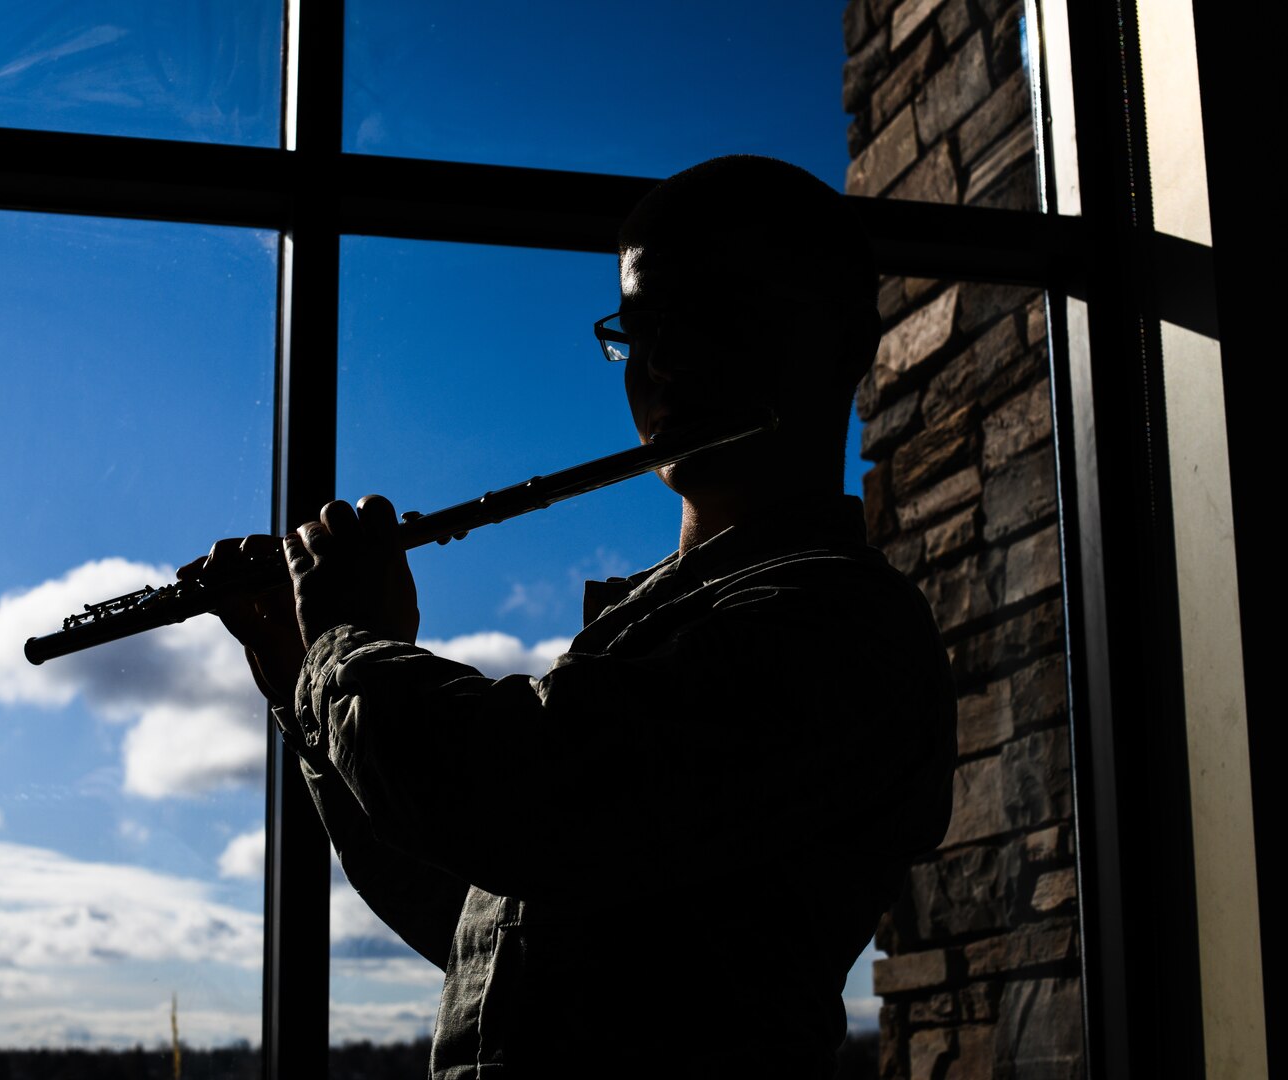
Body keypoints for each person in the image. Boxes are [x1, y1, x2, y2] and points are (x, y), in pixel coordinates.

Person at [186, 155, 956, 1078]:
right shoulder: (658, 624)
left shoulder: (838, 625)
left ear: (841, 343)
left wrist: (354, 646)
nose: (663, 360)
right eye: (640, 324)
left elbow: (528, 812)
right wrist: (302, 682)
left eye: (710, 312)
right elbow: (480, 913)